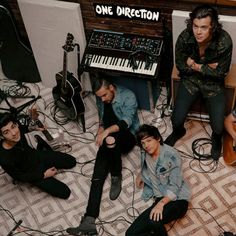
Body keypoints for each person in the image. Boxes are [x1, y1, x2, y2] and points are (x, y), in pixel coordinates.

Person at [67, 78, 140, 235]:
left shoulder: (128, 96)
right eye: (99, 97)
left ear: (112, 88)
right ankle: (89, 221)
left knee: (110, 139)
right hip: (108, 136)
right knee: (97, 176)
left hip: (127, 135)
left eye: (105, 95)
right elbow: (102, 117)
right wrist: (101, 128)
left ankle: (116, 175)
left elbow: (127, 122)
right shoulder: (101, 97)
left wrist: (107, 132)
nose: (102, 99)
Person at [165, 4, 233, 161]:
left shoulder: (225, 41)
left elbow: (220, 73)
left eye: (203, 27)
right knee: (176, 120)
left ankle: (216, 140)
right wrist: (206, 67)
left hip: (213, 85)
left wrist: (194, 64)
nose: (198, 31)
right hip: (191, 80)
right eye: (195, 26)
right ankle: (178, 131)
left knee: (218, 127)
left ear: (213, 27)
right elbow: (181, 65)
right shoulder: (185, 36)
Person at [126, 124, 190, 236]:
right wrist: (141, 174)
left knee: (153, 222)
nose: (146, 145)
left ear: (158, 138)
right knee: (130, 234)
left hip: (178, 199)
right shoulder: (144, 152)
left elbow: (175, 187)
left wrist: (160, 204)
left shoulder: (172, 156)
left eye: (149, 140)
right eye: (143, 143)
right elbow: (145, 165)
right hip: (160, 195)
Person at [0, 112, 76, 199]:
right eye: (6, 132)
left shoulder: (18, 129)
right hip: (31, 172)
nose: (14, 133)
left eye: (13, 127)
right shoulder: (4, 158)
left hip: (37, 155)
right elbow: (19, 177)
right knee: (65, 192)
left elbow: (23, 128)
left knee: (72, 161)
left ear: (16, 124)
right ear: (1, 136)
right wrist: (44, 175)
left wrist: (33, 127)